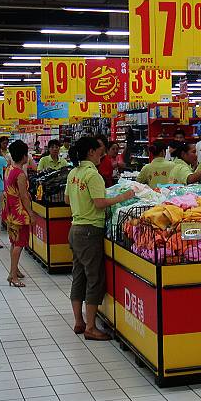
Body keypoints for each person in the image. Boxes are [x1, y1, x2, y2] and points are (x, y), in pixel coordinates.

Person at [64, 137, 135, 341]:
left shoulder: (74, 173)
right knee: (94, 278)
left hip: (75, 228)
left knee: (79, 276)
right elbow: (99, 203)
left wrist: (81, 203)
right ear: (91, 152)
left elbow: (67, 199)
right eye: (99, 150)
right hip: (90, 231)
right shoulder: (92, 175)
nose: (102, 154)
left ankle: (79, 321)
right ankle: (90, 327)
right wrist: (123, 197)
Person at [2, 140, 42, 288]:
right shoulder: (20, 174)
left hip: (10, 211)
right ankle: (12, 276)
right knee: (19, 244)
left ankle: (14, 269)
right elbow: (24, 196)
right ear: (24, 156)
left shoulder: (9, 169)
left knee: (14, 242)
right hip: (19, 213)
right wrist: (31, 214)